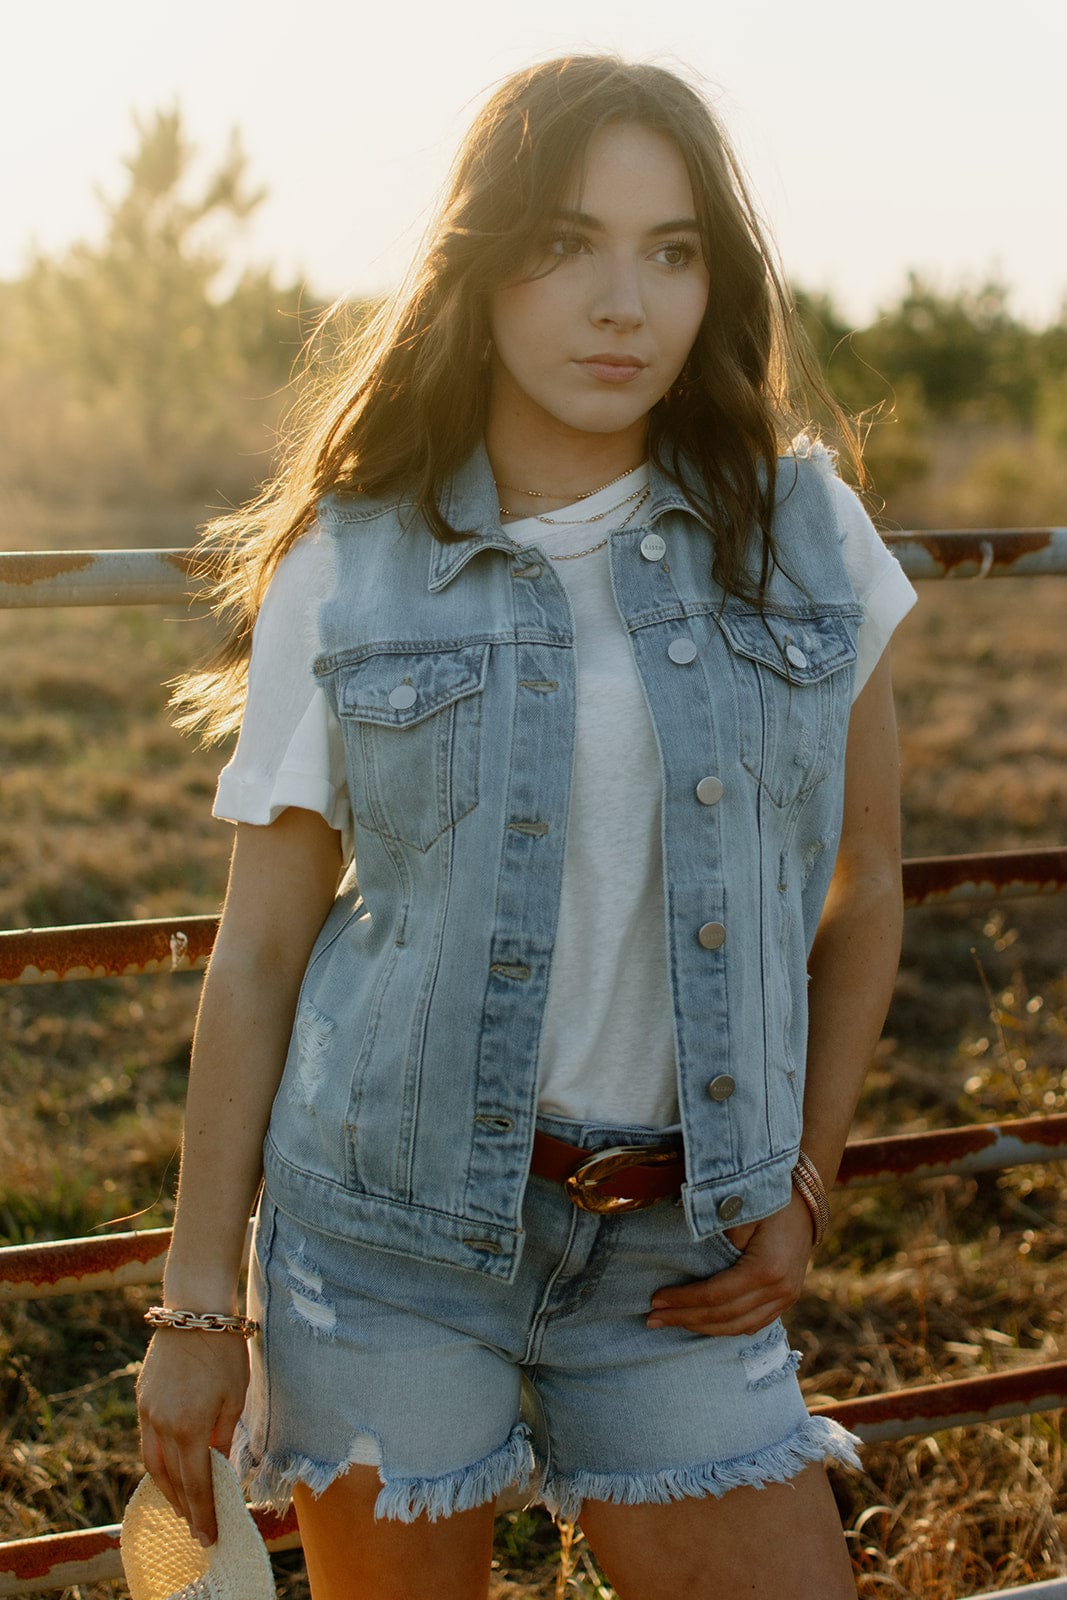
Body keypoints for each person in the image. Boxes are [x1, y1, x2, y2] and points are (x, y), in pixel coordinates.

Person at [135, 54, 916, 1600]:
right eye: (567, 243)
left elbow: (868, 880)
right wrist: (192, 1307)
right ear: (482, 266)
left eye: (672, 251)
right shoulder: (352, 560)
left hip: (683, 1255)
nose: (625, 303)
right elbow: (266, 944)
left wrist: (808, 1177)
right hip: (388, 1243)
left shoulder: (802, 528)